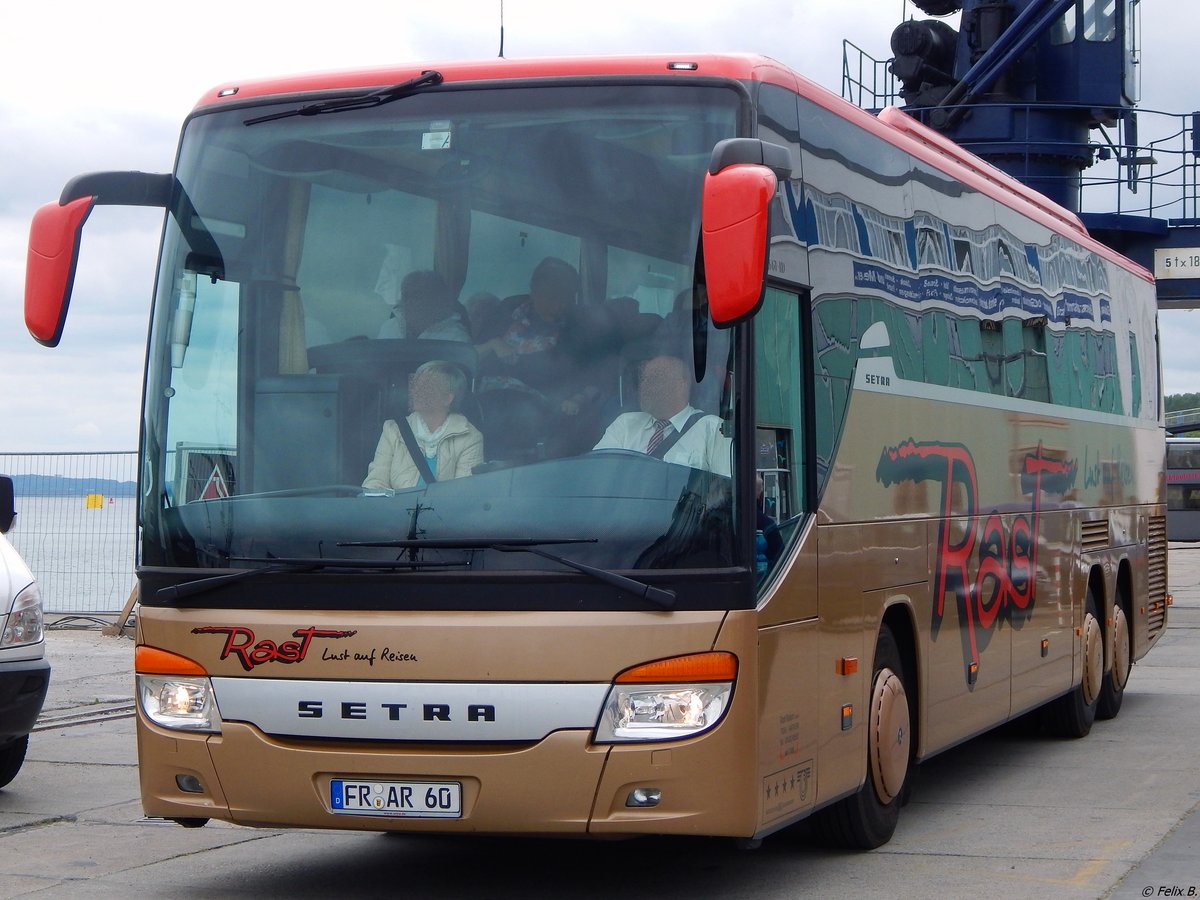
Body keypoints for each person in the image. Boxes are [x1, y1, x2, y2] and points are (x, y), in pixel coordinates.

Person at [592, 354, 731, 476]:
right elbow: (596, 473)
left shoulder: (712, 429)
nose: (644, 387)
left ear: (681, 385)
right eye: (642, 380)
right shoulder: (625, 425)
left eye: (654, 379)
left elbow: (725, 490)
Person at [362, 361, 483, 490]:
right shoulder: (393, 429)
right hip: (395, 509)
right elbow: (375, 482)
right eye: (416, 385)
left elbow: (463, 493)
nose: (415, 392)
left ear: (447, 399)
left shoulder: (470, 437)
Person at [378, 270, 471, 342]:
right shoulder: (389, 328)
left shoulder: (455, 339)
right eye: (406, 296)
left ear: (436, 301)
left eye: (416, 296)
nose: (409, 302)